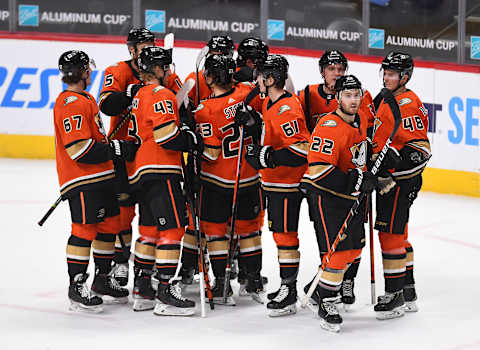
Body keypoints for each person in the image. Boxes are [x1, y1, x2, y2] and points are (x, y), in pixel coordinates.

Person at [98, 27, 182, 287]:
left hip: (150, 153)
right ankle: (122, 262)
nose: (147, 48)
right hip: (125, 153)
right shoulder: (118, 71)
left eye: (150, 44)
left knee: (151, 216)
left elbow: (181, 102)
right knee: (123, 213)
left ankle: (150, 267)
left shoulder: (163, 73)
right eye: (142, 45)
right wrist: (129, 94)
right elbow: (106, 104)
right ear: (131, 49)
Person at [54, 50, 132, 312]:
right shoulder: (70, 103)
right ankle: (76, 285)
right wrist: (117, 149)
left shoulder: (85, 99)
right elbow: (79, 150)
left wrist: (113, 149)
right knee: (85, 229)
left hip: (102, 177)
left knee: (109, 225)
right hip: (82, 180)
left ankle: (101, 280)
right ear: (84, 71)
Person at [125, 46, 200, 315]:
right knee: (173, 230)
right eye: (165, 68)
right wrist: (190, 138)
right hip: (161, 168)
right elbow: (167, 136)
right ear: (157, 70)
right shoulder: (162, 94)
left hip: (140, 172)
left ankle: (142, 289)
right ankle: (166, 291)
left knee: (148, 231)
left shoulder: (139, 95)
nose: (168, 72)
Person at [299, 50, 376, 307]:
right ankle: (327, 302)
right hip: (327, 197)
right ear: (338, 98)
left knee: (354, 250)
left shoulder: (361, 120)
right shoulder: (329, 127)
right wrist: (355, 181)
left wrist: (370, 172)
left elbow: (361, 155)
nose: (353, 100)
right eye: (348, 95)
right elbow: (320, 170)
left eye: (357, 95)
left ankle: (318, 289)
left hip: (350, 196)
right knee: (338, 251)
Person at [243, 55, 310, 317]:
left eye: (260, 75)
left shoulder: (286, 108)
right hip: (275, 182)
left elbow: (301, 149)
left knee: (285, 236)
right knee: (281, 235)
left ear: (270, 79)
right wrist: (253, 122)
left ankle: (288, 290)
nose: (256, 79)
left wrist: (267, 156)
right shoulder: (271, 103)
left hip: (286, 182)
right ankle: (288, 287)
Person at [195, 54, 264, 305]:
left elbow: (211, 153)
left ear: (209, 77)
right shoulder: (247, 92)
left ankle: (222, 285)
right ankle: (253, 280)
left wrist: (190, 137)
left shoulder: (204, 110)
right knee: (249, 230)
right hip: (247, 176)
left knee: (215, 233)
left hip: (215, 181)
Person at [372, 51, 431, 320]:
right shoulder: (390, 97)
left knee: (391, 236)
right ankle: (408, 291)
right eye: (385, 72)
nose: (387, 77)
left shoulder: (406, 102)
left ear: (405, 76)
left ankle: (394, 294)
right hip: (391, 180)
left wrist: (390, 171)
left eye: (392, 74)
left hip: (398, 183)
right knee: (398, 234)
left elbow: (420, 150)